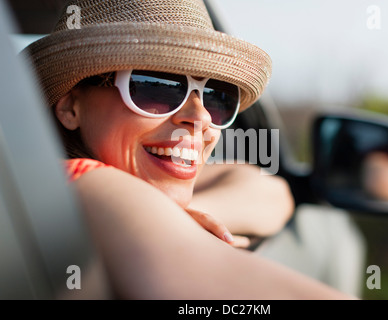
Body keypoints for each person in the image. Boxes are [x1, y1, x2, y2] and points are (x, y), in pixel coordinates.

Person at [24, 0, 356, 299]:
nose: (200, 118)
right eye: (156, 86)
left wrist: (171, 214)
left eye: (216, 97)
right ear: (70, 107)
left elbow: (272, 191)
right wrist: (160, 219)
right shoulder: (85, 182)